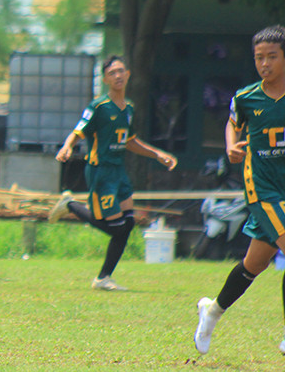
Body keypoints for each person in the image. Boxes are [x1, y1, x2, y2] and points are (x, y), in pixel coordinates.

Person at [49, 55, 178, 290]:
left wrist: (156, 154)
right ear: (106, 79)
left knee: (126, 225)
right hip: (101, 172)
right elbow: (78, 131)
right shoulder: (98, 107)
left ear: (128, 74)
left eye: (121, 71)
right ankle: (69, 204)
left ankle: (103, 278)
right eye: (112, 73)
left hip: (119, 171)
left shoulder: (128, 108)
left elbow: (129, 141)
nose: (117, 76)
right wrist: (67, 146)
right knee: (114, 227)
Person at [195, 25, 285, 355]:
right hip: (262, 187)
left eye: (272, 57)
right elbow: (232, 124)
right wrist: (231, 147)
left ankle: (212, 310)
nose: (264, 64)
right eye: (259, 58)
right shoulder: (246, 97)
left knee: (254, 264)